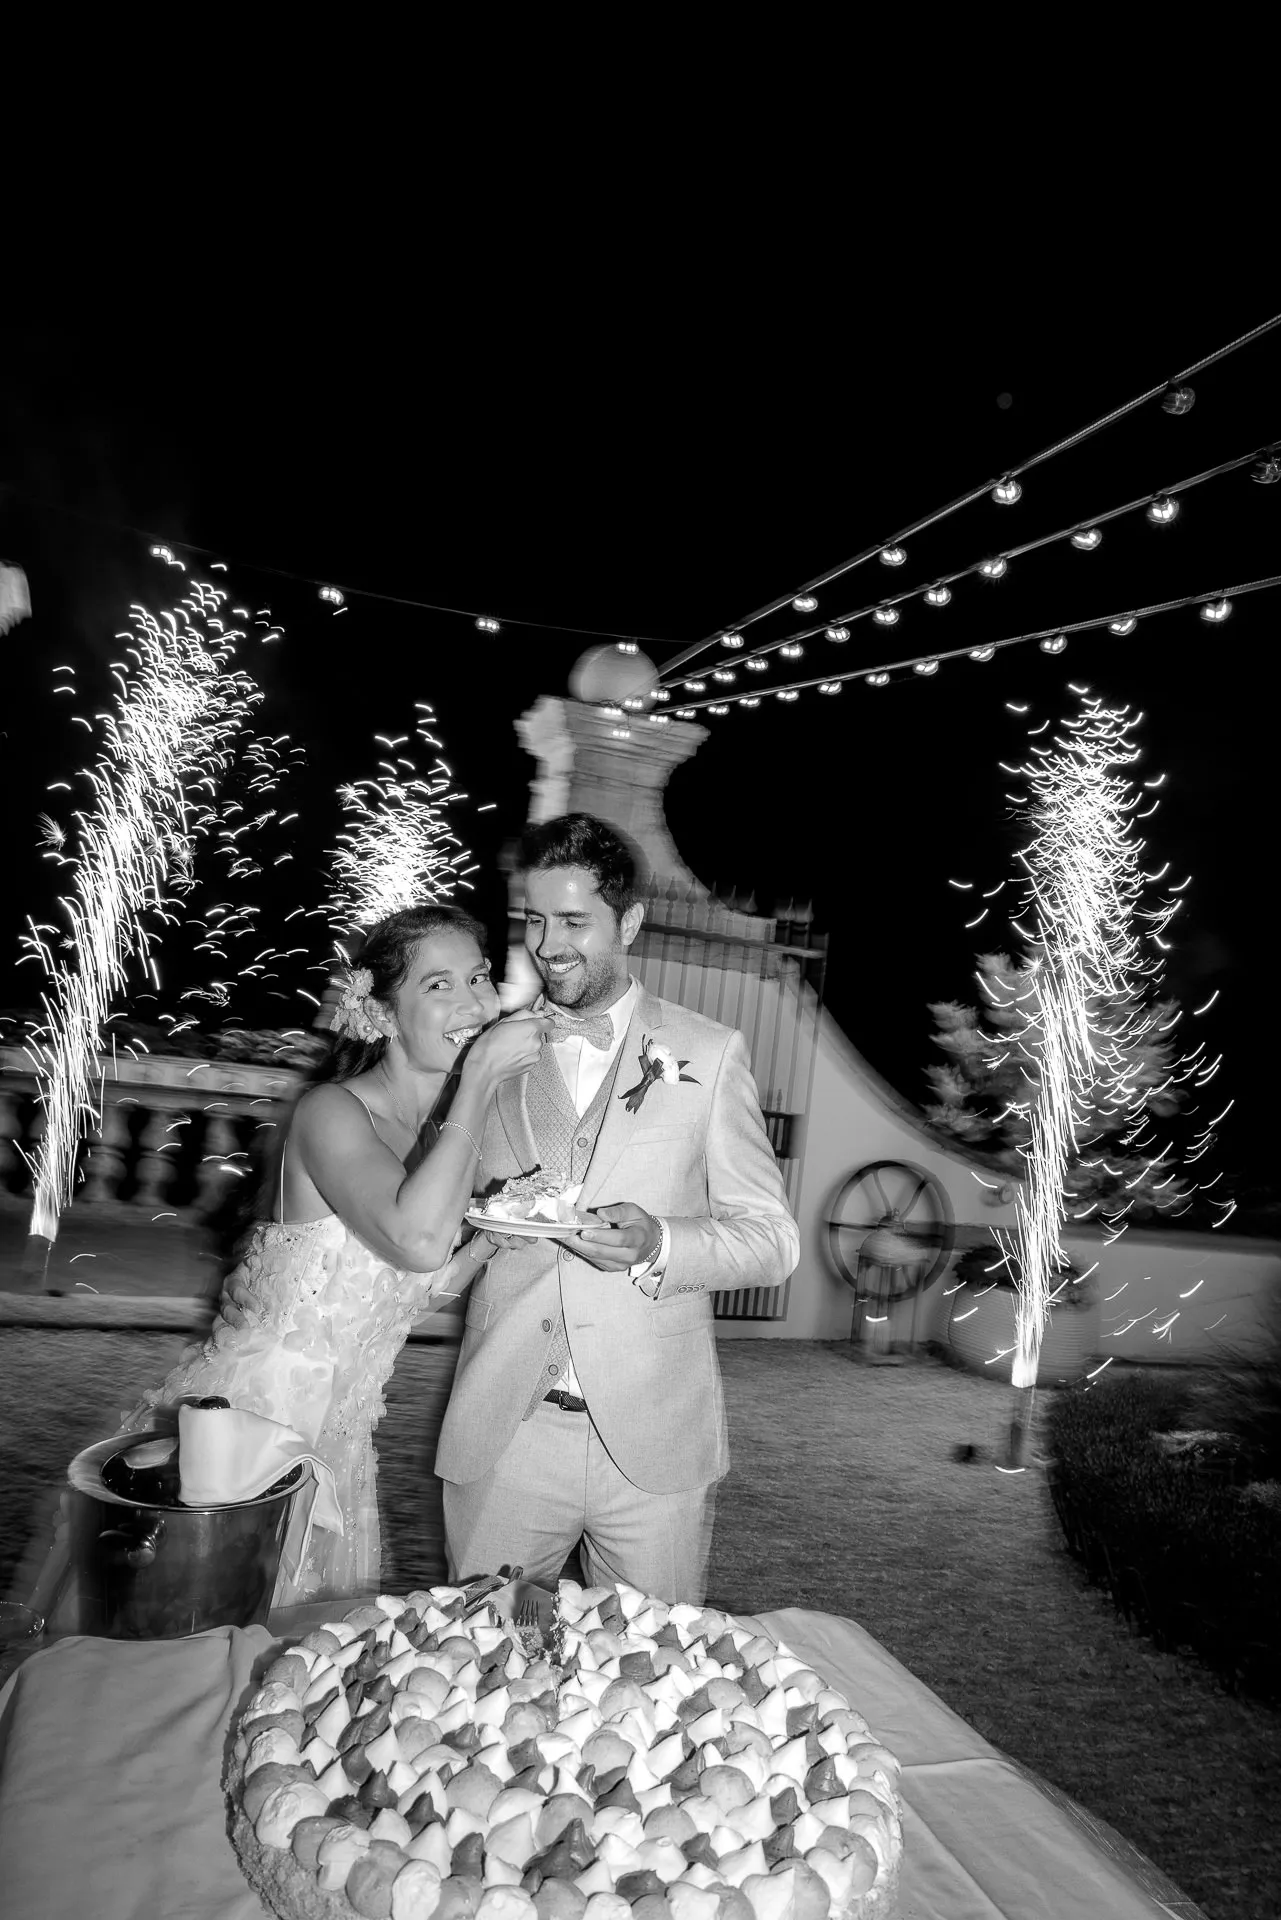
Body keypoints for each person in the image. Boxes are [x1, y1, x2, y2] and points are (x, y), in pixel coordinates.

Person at [121, 902, 547, 1604]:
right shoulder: (332, 1111)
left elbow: (406, 1286)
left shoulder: (437, 1131)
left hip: (341, 1439)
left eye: (477, 979)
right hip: (252, 1425)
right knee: (208, 1641)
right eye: (437, 986)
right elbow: (414, 1240)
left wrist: (493, 1240)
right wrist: (477, 1087)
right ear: (379, 1014)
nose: (473, 1002)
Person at [437, 814, 801, 1604]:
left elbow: (771, 1242)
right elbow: (435, 1215)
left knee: (651, 1679)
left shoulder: (708, 1053)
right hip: (508, 1431)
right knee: (485, 1665)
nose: (547, 944)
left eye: (574, 921)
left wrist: (658, 1244)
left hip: (653, 1440)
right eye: (535, 920)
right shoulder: (489, 1052)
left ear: (629, 922)